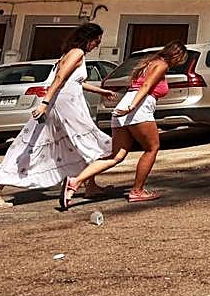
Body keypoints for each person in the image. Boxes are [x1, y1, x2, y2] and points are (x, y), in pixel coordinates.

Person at [0, 23, 115, 209]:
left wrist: (101, 91)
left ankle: (90, 185)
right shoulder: (77, 53)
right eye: (96, 41)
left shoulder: (69, 54)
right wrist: (44, 104)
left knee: (71, 144)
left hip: (63, 104)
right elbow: (60, 78)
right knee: (88, 142)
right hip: (66, 107)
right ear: (87, 39)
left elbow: (75, 82)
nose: (96, 45)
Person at [60, 41, 184, 208]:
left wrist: (128, 106)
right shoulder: (162, 65)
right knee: (152, 148)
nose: (179, 63)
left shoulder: (148, 63)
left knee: (116, 156)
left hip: (122, 107)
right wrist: (132, 106)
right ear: (176, 55)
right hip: (138, 108)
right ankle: (137, 191)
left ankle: (75, 181)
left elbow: (139, 85)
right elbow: (146, 86)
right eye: (180, 59)